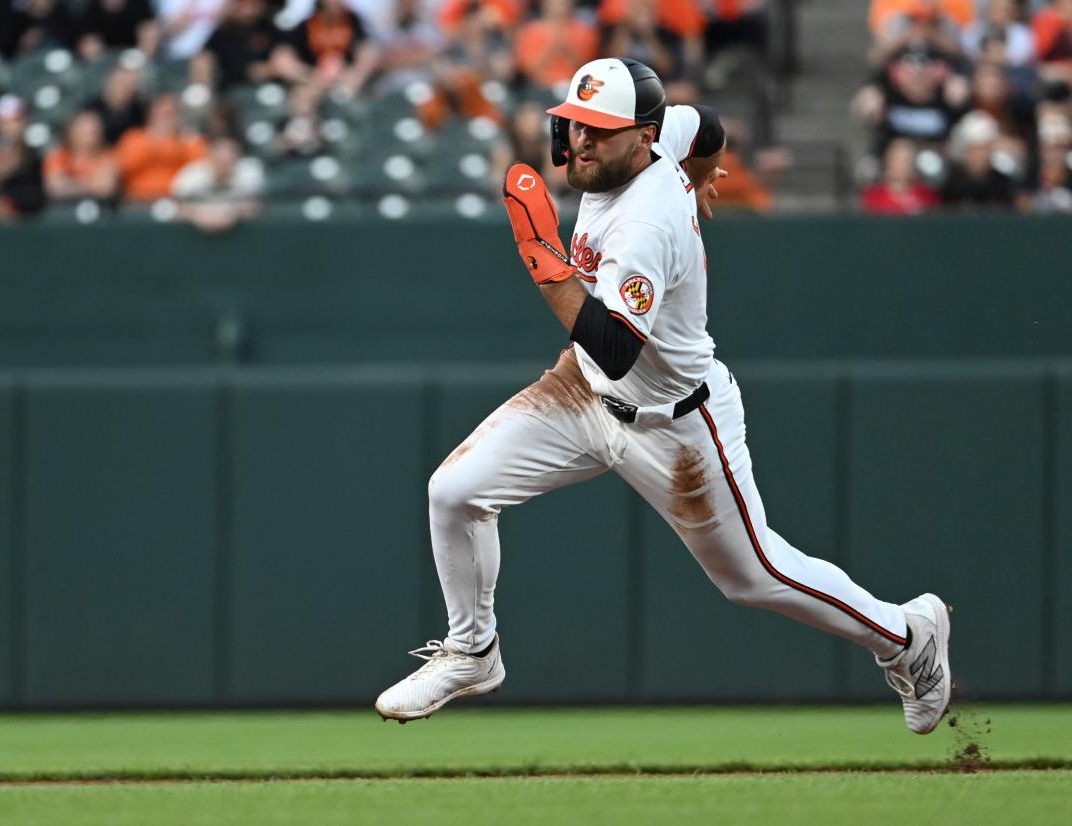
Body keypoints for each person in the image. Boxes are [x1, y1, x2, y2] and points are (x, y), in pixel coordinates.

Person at [374, 57, 953, 736]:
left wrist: (542, 257)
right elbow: (703, 124)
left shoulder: (645, 222)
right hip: (585, 393)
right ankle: (473, 651)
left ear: (641, 139)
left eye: (599, 130)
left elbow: (615, 345)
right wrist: (703, 172)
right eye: (575, 125)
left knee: (753, 575)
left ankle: (906, 636)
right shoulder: (661, 138)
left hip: (675, 422)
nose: (581, 141)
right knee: (454, 490)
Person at [115, 94, 208, 200]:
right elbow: (124, 167)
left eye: (172, 114)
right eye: (164, 113)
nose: (167, 119)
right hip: (137, 200)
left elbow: (199, 169)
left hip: (175, 201)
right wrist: (158, 144)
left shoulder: (188, 141)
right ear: (150, 115)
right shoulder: (133, 138)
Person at [171, 136, 264, 230]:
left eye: (229, 160)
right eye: (220, 160)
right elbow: (177, 207)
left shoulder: (248, 173)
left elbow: (257, 206)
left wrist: (233, 213)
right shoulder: (193, 175)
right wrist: (198, 215)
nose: (224, 165)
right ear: (210, 157)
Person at [44, 109, 121, 203]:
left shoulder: (107, 157)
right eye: (85, 129)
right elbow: (55, 187)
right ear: (72, 131)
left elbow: (106, 189)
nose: (92, 133)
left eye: (95, 129)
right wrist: (90, 185)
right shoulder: (58, 155)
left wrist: (70, 185)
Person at [860, 137, 940, 213]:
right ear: (888, 161)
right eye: (897, 160)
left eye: (907, 160)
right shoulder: (873, 197)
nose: (902, 166)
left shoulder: (927, 196)